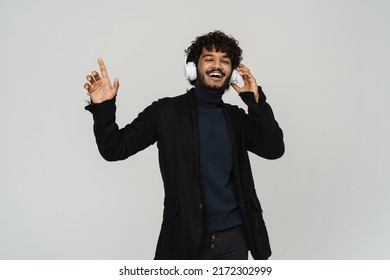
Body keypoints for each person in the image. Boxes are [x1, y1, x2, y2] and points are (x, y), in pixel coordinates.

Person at [84, 31, 284, 260]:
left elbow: (274, 149)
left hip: (234, 240)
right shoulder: (165, 112)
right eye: (209, 58)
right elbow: (114, 149)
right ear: (192, 68)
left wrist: (255, 101)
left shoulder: (236, 118)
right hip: (185, 239)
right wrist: (103, 108)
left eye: (225, 61)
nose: (217, 65)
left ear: (233, 73)